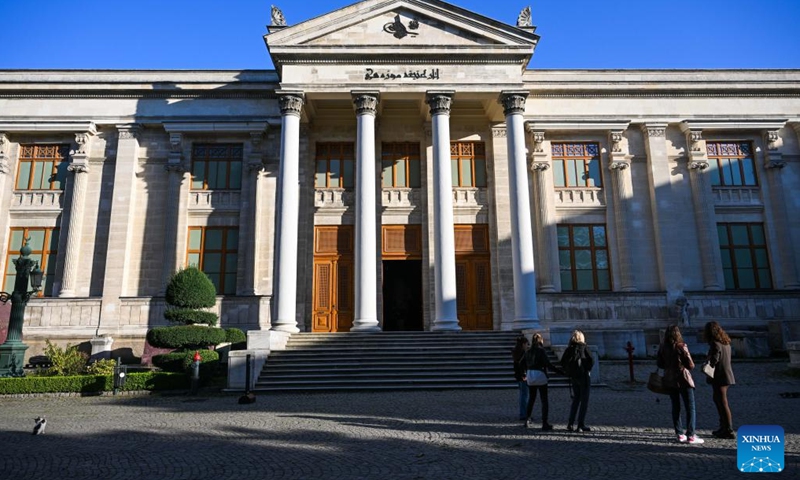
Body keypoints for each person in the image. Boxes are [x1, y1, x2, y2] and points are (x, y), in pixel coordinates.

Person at [657, 324, 703, 444]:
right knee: (690, 407)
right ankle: (691, 434)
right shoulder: (681, 346)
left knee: (675, 407)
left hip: (670, 380)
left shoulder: (663, 347)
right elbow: (690, 365)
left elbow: (660, 364)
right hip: (683, 380)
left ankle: (679, 434)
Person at [522, 333, 562, 431]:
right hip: (540, 375)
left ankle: (527, 419)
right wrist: (560, 372)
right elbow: (548, 364)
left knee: (531, 398)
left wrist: (524, 373)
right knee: (544, 400)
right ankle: (545, 422)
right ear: (541, 340)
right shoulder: (541, 351)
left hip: (530, 375)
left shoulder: (528, 351)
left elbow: (521, 363)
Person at [704, 321, 736, 439]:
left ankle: (728, 429)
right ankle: (723, 427)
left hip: (720, 376)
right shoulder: (726, 343)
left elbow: (714, 360)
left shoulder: (715, 344)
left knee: (722, 402)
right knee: (720, 401)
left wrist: (707, 362)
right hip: (726, 375)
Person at [560, 330, 594, 432]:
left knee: (575, 400)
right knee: (584, 401)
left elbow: (562, 362)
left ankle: (570, 423)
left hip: (574, 378)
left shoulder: (569, 349)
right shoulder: (584, 347)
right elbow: (591, 360)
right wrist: (586, 369)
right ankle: (580, 424)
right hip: (584, 377)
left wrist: (569, 371)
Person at [512, 336, 530, 420]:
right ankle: (524, 414)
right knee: (525, 395)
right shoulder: (523, 353)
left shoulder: (516, 352)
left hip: (519, 376)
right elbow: (523, 366)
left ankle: (523, 413)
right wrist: (524, 375)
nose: (527, 346)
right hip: (523, 376)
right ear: (523, 344)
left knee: (522, 395)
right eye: (527, 344)